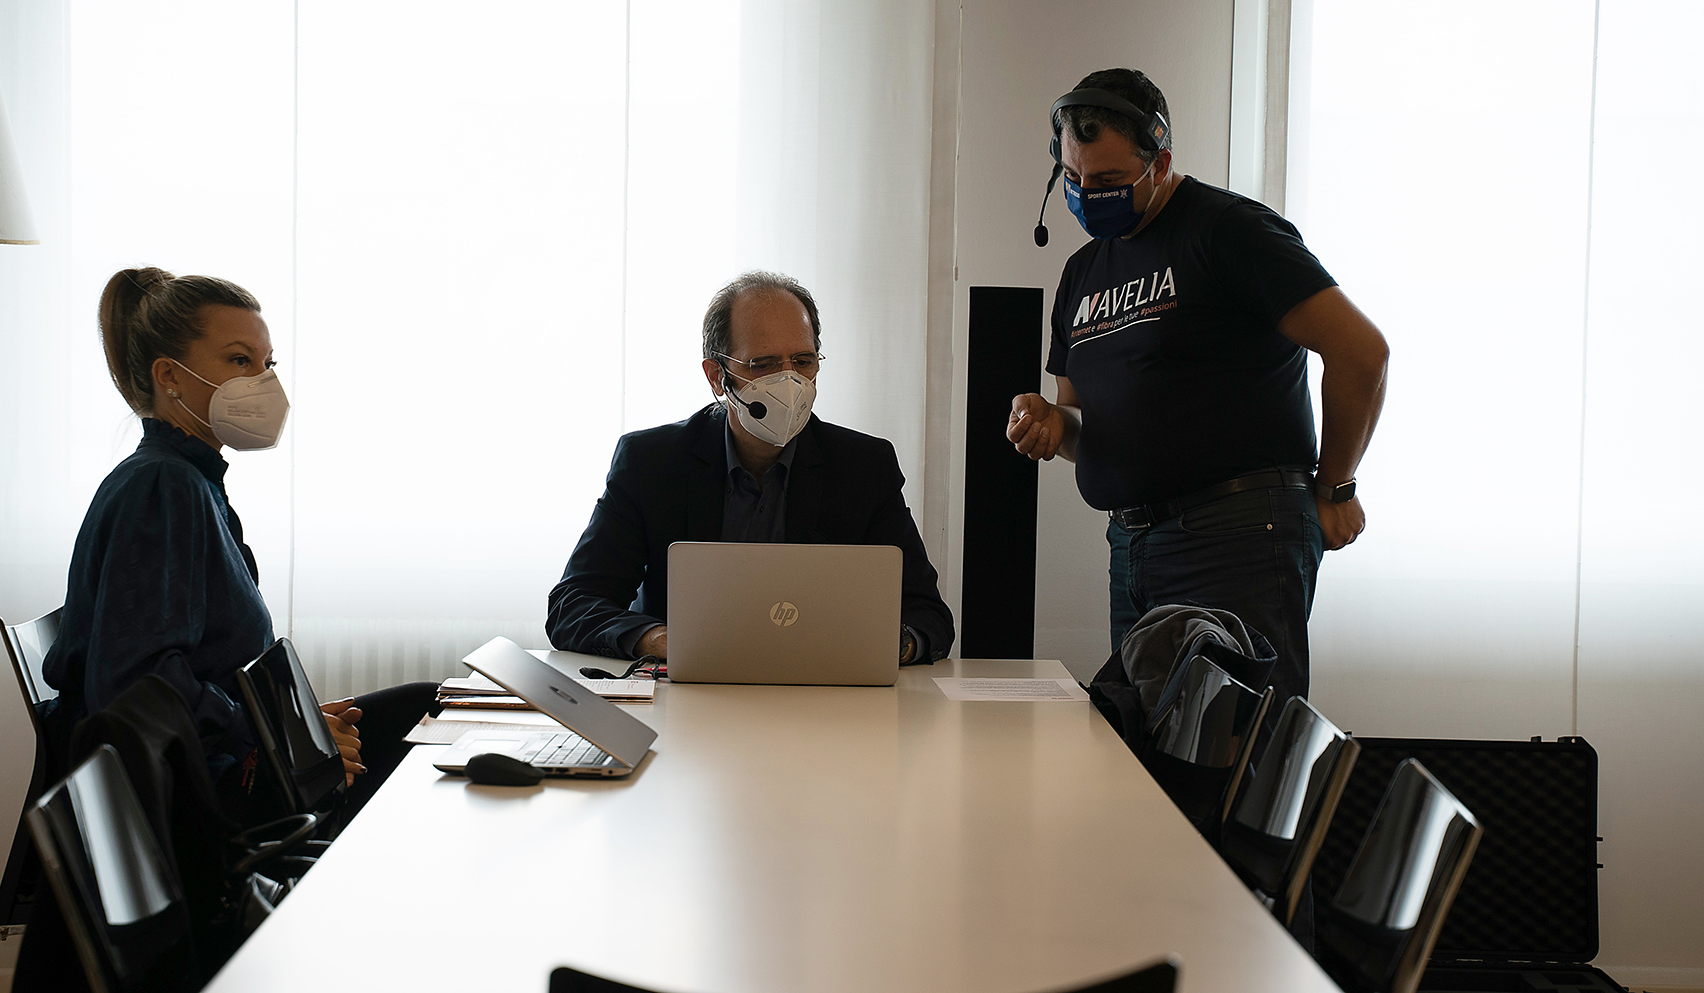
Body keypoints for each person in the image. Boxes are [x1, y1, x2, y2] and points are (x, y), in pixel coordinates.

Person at [1007, 68, 1389, 710]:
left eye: (1108, 180)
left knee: (1230, 747)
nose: (1088, 195)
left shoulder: (1229, 230)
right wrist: (1050, 421)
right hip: (1132, 547)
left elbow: (1361, 351)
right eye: (1072, 178)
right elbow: (1082, 425)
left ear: (1160, 162)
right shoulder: (1082, 273)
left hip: (1236, 537)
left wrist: (1335, 487)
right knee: (1142, 749)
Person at [44, 267, 437, 824]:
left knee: (428, 706)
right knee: (424, 742)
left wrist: (295, 726)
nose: (263, 381)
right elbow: (140, 686)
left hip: (233, 754)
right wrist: (278, 736)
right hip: (207, 790)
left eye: (267, 363)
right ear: (169, 376)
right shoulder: (162, 487)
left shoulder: (192, 480)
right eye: (239, 360)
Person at [549, 270, 954, 665]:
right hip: (689, 690)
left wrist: (884, 646)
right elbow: (573, 604)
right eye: (764, 364)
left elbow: (928, 615)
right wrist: (661, 641)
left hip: (824, 692)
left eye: (803, 361)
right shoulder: (651, 462)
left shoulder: (864, 466)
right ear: (717, 376)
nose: (789, 381)